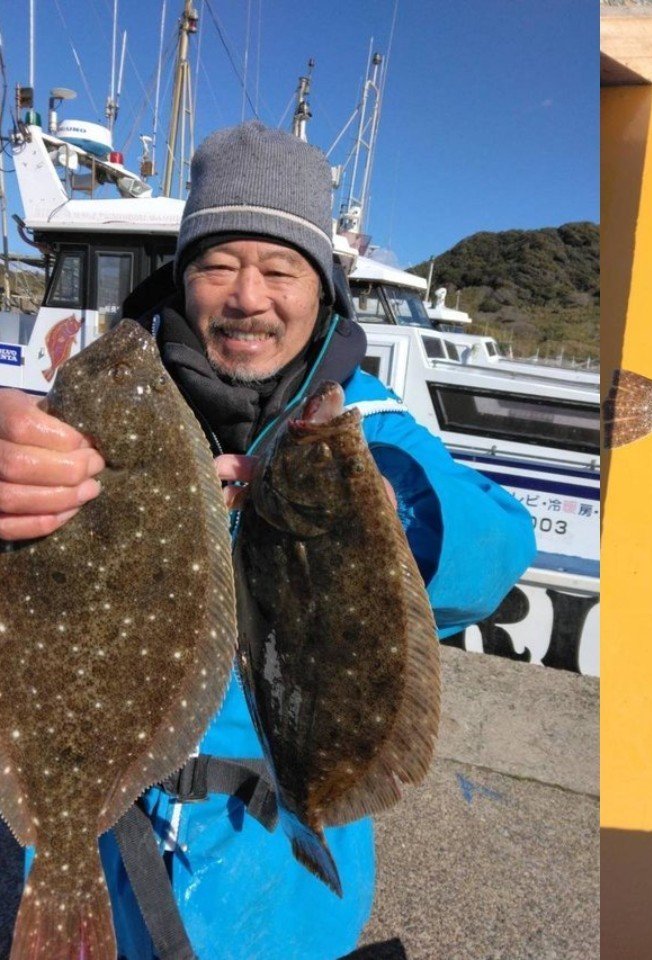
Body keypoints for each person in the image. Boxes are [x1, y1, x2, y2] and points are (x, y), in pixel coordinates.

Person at [0, 121, 536, 959]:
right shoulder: (88, 413)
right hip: (91, 851)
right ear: (182, 278)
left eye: (281, 267)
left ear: (323, 290)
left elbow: (499, 551)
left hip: (278, 897)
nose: (249, 296)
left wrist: (386, 514)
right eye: (218, 264)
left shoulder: (369, 429)